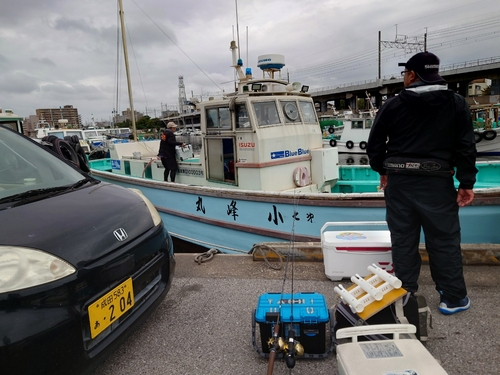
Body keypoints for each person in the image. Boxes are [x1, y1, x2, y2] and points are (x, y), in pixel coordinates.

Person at [366, 51, 477, 315]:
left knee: (403, 239)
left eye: (405, 74)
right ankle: (452, 298)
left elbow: (375, 144)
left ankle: (405, 295)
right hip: (437, 184)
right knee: (444, 240)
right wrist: (466, 183)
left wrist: (382, 169)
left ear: (412, 75)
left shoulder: (393, 105)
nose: (404, 78)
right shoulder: (456, 103)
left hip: (400, 184)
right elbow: (465, 147)